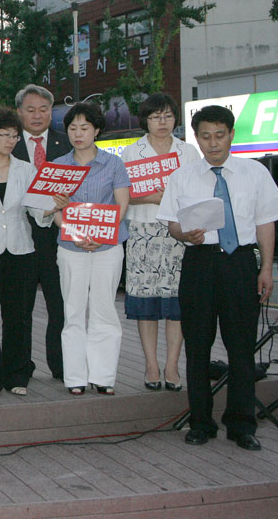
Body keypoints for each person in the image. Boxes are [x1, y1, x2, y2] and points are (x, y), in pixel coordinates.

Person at [158, 105, 278, 451]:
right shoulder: (183, 176)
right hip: (199, 263)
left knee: (241, 348)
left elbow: (266, 222)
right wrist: (185, 235)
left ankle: (241, 424)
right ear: (195, 138)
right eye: (205, 136)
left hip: (240, 263)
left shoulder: (254, 173)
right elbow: (171, 222)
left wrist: (266, 269)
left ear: (232, 134)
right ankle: (201, 422)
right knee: (198, 346)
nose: (212, 143)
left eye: (219, 135)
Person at [0, 107, 53, 398]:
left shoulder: (26, 170)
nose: (11, 141)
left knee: (19, 316)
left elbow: (38, 213)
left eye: (15, 136)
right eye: (5, 135)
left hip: (21, 250)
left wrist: (54, 206)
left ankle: (18, 373)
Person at [121, 93, 200, 392]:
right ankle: (151, 364)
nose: (162, 122)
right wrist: (152, 197)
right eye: (155, 117)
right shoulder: (131, 153)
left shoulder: (188, 152)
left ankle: (172, 366)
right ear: (145, 121)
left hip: (179, 232)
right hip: (143, 230)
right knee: (147, 303)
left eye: (167, 116)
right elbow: (123, 196)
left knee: (177, 303)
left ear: (175, 119)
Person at [51, 102, 130, 396]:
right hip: (71, 247)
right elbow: (54, 207)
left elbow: (121, 204)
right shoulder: (58, 166)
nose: (78, 133)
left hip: (107, 247)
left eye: (84, 128)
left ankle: (103, 376)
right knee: (72, 310)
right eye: (72, 128)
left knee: (104, 309)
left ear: (97, 130)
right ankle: (74, 378)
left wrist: (102, 233)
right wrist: (69, 230)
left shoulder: (113, 164)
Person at [11, 85, 70, 381]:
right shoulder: (8, 145)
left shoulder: (67, 144)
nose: (37, 115)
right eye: (30, 110)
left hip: (57, 240)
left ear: (52, 112)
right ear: (19, 112)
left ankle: (60, 366)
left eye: (44, 109)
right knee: (21, 308)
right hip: (20, 236)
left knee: (59, 306)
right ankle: (21, 366)